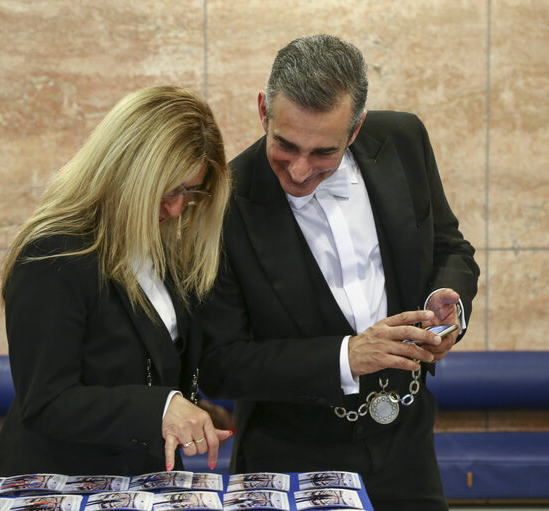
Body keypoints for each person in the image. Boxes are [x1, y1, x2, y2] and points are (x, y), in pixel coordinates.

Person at [198, 34, 479, 510]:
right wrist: (348, 356)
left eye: (323, 153)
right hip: (287, 457)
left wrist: (448, 299)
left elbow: (451, 247)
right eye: (285, 145)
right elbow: (220, 366)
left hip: (407, 441)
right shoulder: (222, 202)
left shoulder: (404, 140)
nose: (301, 171)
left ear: (355, 128)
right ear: (263, 110)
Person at [0, 86, 233, 477]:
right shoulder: (52, 254)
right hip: (57, 484)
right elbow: (46, 403)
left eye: (188, 191)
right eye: (166, 191)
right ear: (127, 173)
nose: (177, 208)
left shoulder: (161, 245)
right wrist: (162, 408)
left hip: (144, 478)